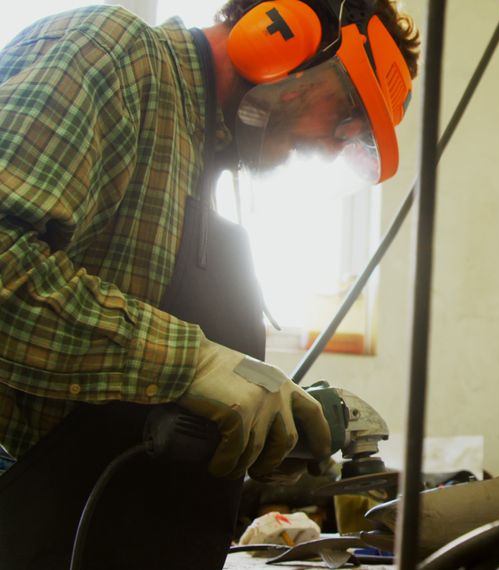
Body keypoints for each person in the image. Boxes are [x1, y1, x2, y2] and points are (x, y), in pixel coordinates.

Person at [0, 1, 420, 568]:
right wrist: (192, 363)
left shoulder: (203, 160)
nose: (331, 147)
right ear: (285, 33)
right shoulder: (110, 54)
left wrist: (256, 439)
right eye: (345, 112)